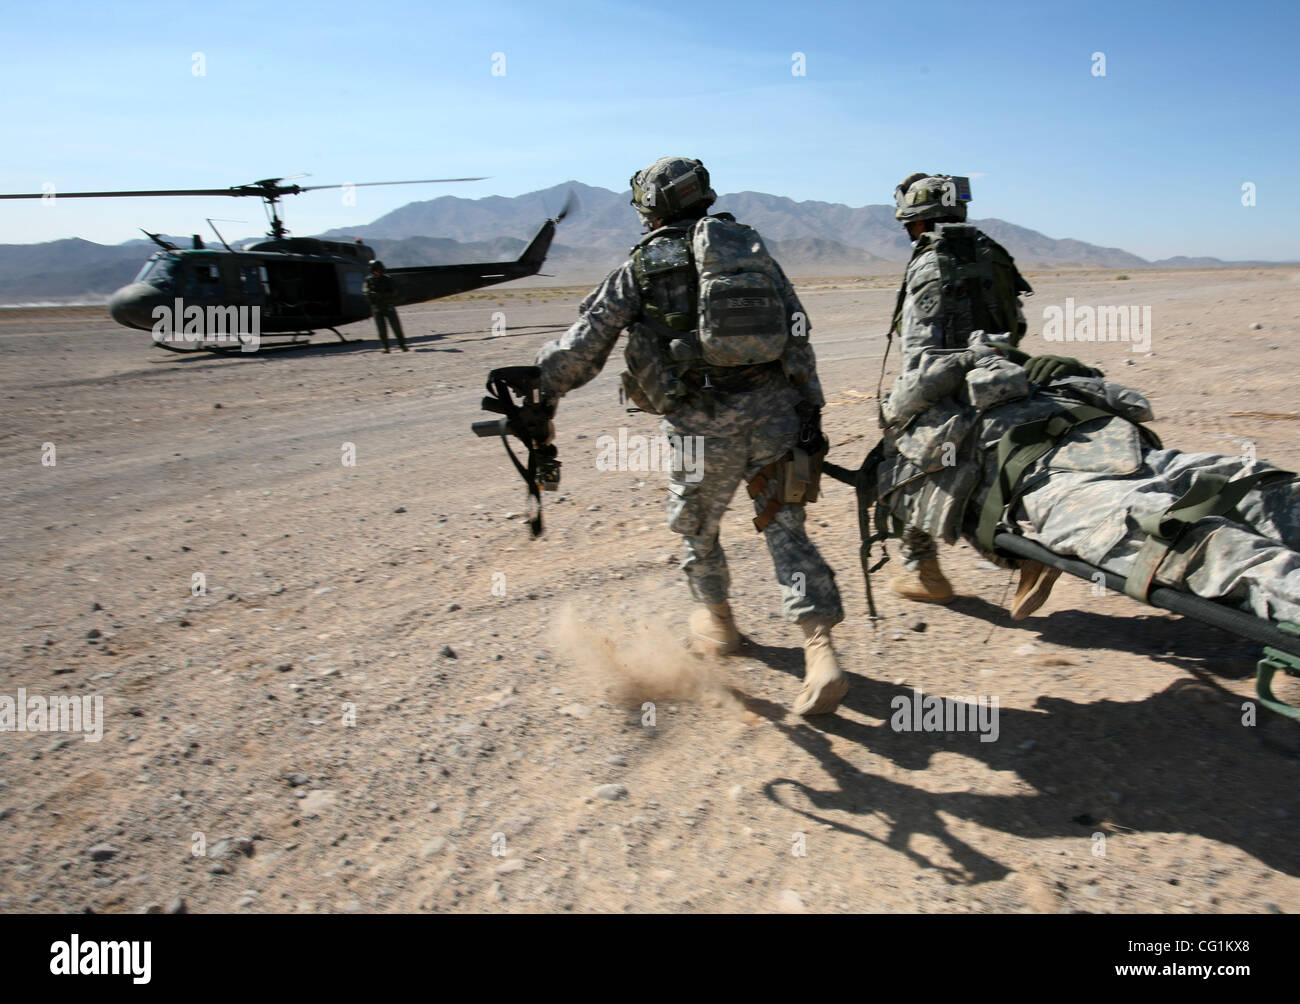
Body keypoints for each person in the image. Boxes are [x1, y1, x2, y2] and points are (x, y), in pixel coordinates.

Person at [871, 172, 1300, 624]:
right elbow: (1013, 328)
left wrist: (900, 406)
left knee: (898, 466)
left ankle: (939, 569)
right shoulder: (990, 252)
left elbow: (924, 362)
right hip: (1024, 390)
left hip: (968, 403)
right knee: (1202, 477)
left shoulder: (930, 262)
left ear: (914, 221)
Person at [531, 156, 849, 715]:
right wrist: (810, 412)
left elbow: (585, 346)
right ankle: (820, 652)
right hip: (774, 415)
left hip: (701, 429)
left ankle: (720, 626)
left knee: (698, 531)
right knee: (786, 528)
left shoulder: (644, 265)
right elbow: (797, 330)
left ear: (652, 206)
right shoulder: (749, 249)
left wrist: (542, 390)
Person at [364, 260, 407, 352]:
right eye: (376, 270)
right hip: (377, 307)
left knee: (396, 327)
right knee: (381, 330)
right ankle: (386, 347)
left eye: (379, 270)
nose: (377, 272)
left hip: (388, 306)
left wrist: (383, 295)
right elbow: (365, 291)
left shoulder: (387, 279)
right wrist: (371, 294)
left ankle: (402, 345)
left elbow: (395, 291)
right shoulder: (368, 280)